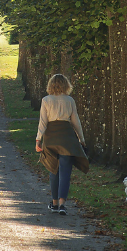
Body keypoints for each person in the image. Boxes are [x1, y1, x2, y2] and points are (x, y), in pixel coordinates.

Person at [35, 73, 89, 215]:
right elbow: (75, 121)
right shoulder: (70, 100)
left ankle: (54, 204)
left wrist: (38, 139)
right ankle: (62, 204)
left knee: (53, 170)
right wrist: (81, 138)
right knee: (65, 172)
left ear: (50, 85)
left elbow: (43, 121)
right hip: (67, 137)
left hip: (51, 137)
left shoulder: (46, 100)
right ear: (66, 85)